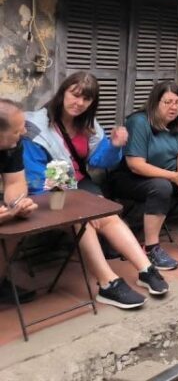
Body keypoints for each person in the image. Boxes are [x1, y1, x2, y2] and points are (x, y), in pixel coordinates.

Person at [22, 73, 168, 308]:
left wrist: (114, 146)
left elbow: (99, 162)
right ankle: (107, 283)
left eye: (86, 99)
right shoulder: (36, 127)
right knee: (84, 220)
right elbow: (33, 175)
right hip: (47, 191)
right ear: (63, 93)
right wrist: (63, 192)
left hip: (78, 184)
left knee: (106, 214)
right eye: (75, 95)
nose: (78, 103)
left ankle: (145, 268)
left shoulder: (88, 125)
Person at [112, 81, 178, 271]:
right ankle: (151, 248)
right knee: (161, 186)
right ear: (155, 102)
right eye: (168, 102)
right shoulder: (139, 121)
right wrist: (174, 176)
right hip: (130, 178)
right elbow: (136, 165)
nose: (174, 107)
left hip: (167, 174)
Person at [0, 99, 38, 305]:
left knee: (15, 224)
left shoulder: (13, 145)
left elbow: (15, 180)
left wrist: (16, 205)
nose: (23, 132)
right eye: (17, 130)